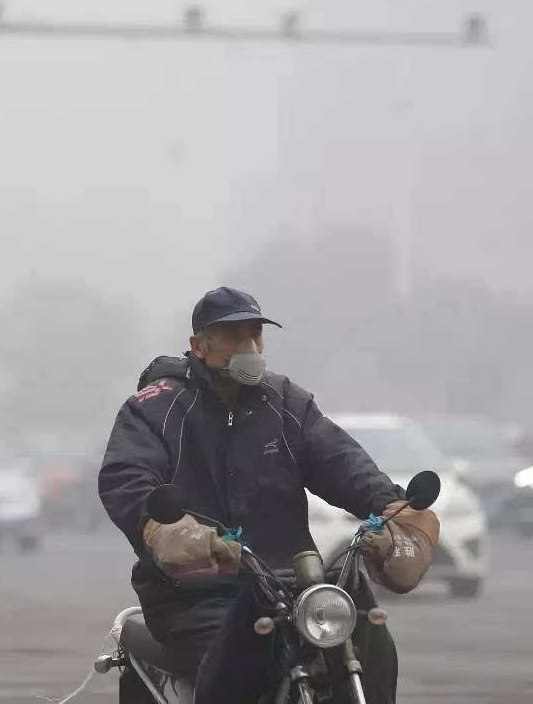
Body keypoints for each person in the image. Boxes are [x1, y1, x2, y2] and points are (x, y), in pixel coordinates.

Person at [98, 287, 438, 703]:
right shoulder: (156, 407)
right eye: (233, 335)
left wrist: (394, 512)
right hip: (196, 596)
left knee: (366, 633)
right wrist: (171, 534)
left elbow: (344, 464)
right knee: (236, 671)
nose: (249, 346)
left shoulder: (285, 402)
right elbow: (125, 479)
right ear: (199, 345)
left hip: (293, 585)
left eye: (256, 334)